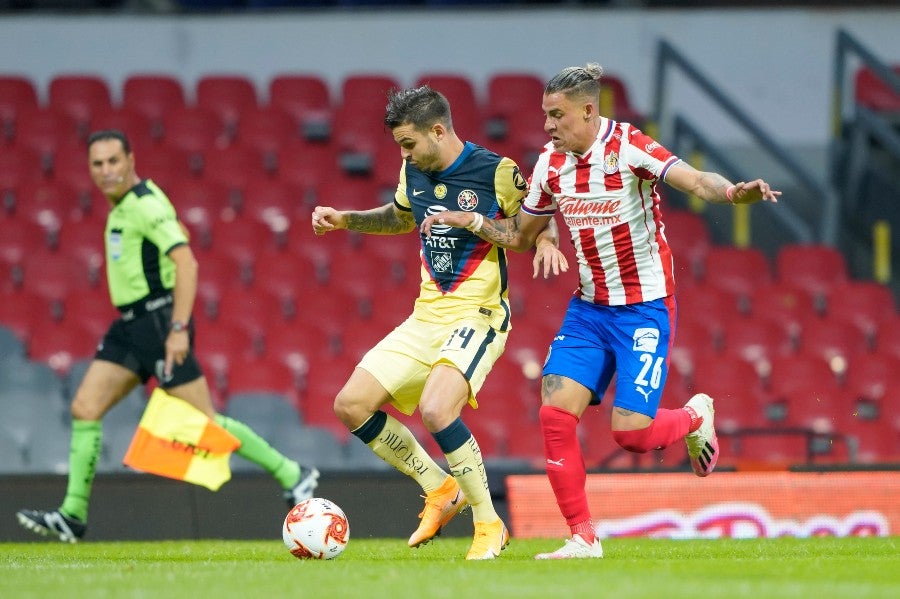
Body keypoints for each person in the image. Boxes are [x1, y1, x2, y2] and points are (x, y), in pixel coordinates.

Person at [421, 63, 781, 559]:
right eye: (545, 116)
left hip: (644, 309)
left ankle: (696, 417)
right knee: (553, 412)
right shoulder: (549, 165)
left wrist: (732, 191)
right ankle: (582, 537)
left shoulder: (629, 146)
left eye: (557, 115)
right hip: (589, 310)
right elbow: (520, 237)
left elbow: (696, 181)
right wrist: (472, 220)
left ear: (589, 111)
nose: (548, 126)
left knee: (631, 436)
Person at [16, 129, 320, 543]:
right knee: (85, 407)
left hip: (159, 323)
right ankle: (72, 514)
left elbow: (187, 263)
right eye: (97, 164)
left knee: (205, 422)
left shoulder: (146, 205)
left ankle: (293, 472)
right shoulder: (123, 207)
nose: (106, 171)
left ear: (131, 160)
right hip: (130, 325)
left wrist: (177, 329)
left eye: (113, 161)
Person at [311, 86, 567, 560]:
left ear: (438, 130)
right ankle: (439, 488)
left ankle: (490, 525)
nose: (403, 154)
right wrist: (346, 219)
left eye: (408, 144)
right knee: (351, 404)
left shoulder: (497, 171)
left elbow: (531, 224)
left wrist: (542, 238)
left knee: (436, 409)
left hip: (479, 314)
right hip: (425, 316)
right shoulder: (414, 169)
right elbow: (401, 217)